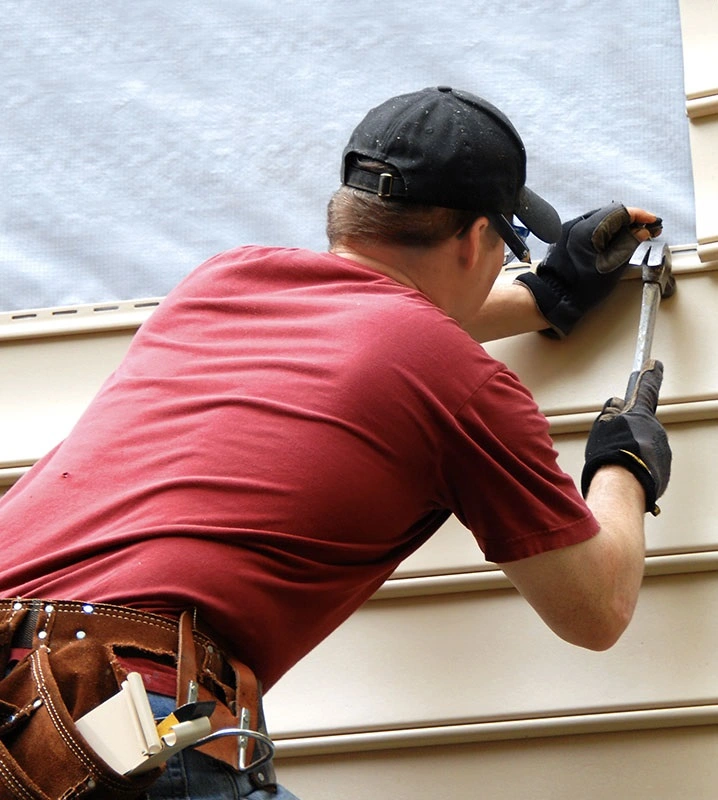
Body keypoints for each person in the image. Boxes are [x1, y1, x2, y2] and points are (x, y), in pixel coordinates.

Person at [0, 86, 671, 799]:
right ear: (477, 241)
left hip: (25, 703)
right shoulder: (459, 383)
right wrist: (624, 463)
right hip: (108, 718)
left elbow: (365, 333)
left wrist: (546, 297)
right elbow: (596, 610)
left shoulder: (222, 283)